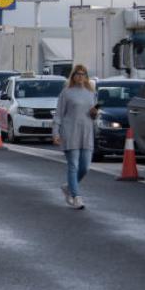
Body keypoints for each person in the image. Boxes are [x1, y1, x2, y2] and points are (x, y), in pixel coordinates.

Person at [52, 64, 99, 209]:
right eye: (78, 74)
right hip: (70, 133)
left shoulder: (91, 93)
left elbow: (94, 114)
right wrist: (55, 133)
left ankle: (68, 187)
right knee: (73, 165)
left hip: (86, 133)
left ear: (86, 76)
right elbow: (59, 114)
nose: (81, 76)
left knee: (85, 167)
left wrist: (94, 114)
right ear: (73, 76)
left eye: (83, 74)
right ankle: (76, 196)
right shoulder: (66, 93)